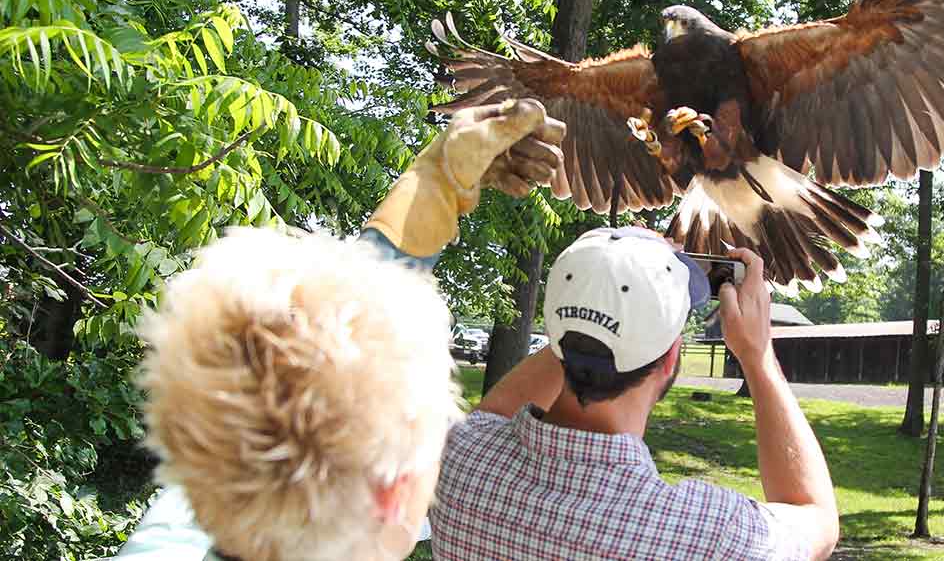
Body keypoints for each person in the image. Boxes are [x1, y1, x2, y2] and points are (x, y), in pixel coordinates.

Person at [119, 99, 566, 561]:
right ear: (394, 494)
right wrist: (437, 184)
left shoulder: (191, 519)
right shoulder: (198, 497)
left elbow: (288, 357)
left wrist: (438, 185)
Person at [428, 228, 840, 560]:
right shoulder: (712, 535)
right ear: (669, 360)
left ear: (555, 330)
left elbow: (496, 411)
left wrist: (599, 293)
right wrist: (758, 356)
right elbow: (816, 519)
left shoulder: (459, 459)